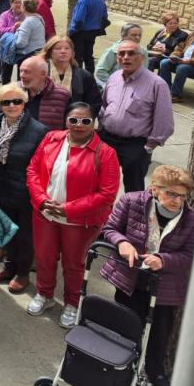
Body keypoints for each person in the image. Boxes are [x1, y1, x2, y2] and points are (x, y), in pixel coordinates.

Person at [100, 165, 194, 386]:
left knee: (159, 333)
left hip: (165, 287)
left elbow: (190, 256)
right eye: (171, 194)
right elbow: (110, 228)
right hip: (130, 279)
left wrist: (163, 260)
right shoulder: (131, 201)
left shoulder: (193, 220)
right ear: (155, 189)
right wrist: (122, 243)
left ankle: (155, 372)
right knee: (126, 325)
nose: (177, 201)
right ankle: (122, 366)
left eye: (182, 196)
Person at [26, 102, 121, 328]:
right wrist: (41, 200)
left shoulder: (106, 153)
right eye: (74, 120)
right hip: (45, 213)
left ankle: (72, 303)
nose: (79, 125)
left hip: (80, 221)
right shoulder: (51, 139)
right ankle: (45, 294)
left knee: (74, 263)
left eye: (86, 121)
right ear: (66, 120)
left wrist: (69, 209)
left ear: (94, 124)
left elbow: (107, 194)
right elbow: (32, 170)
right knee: (44, 257)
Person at [0, 84, 48, 294]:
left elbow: (42, 167)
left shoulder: (39, 131)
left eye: (16, 101)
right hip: (3, 189)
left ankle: (22, 273)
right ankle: (9, 267)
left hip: (27, 193)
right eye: (6, 102)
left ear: (24, 103)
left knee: (25, 236)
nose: (11, 106)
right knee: (8, 230)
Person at [98, 41, 174, 193]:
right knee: (99, 184)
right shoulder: (114, 77)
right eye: (121, 54)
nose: (126, 57)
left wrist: (149, 146)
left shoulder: (157, 84)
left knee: (134, 192)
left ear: (141, 57)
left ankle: (134, 217)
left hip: (135, 145)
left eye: (131, 53)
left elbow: (164, 120)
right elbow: (105, 106)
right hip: (106, 140)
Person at [18, 56, 71, 131]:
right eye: (21, 71)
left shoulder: (62, 96)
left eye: (27, 72)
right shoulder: (13, 91)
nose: (22, 75)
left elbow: (68, 128)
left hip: (49, 141)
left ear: (43, 74)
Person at [158, 14, 194, 103]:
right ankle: (166, 90)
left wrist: (190, 60)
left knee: (182, 68)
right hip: (183, 61)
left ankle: (176, 95)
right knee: (164, 62)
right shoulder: (192, 35)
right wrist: (175, 55)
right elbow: (180, 47)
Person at [68, 0, 108, 73]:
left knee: (77, 56)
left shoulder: (84, 0)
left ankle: (78, 76)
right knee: (88, 55)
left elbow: (78, 19)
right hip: (93, 32)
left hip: (80, 32)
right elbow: (105, 17)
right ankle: (89, 76)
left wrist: (71, 32)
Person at [94, 22, 143, 88]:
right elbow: (100, 71)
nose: (137, 37)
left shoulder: (143, 51)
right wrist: (115, 84)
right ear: (124, 36)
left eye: (139, 35)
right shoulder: (113, 51)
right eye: (133, 35)